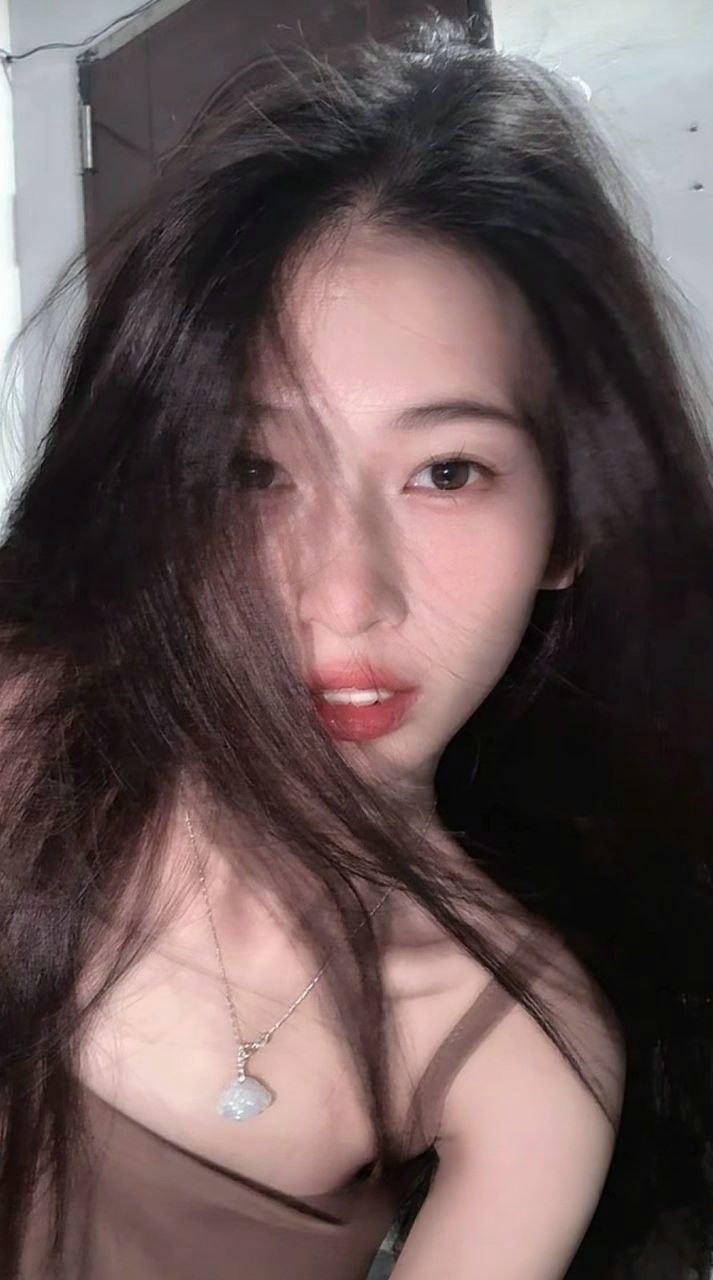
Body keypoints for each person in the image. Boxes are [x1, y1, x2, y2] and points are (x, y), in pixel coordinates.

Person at [1, 15, 711, 1280]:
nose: (344, 598)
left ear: (568, 521)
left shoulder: (516, 1048)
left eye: (447, 471)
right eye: (254, 470)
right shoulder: (19, 729)